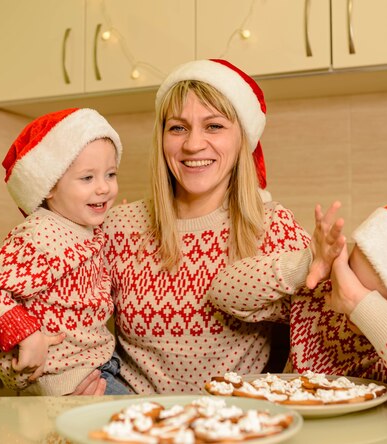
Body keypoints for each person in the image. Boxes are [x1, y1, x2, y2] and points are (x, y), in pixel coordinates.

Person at [101, 59, 345, 394]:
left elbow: (319, 336)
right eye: (178, 128)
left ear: (242, 139)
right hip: (138, 426)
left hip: (238, 426)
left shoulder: (273, 227)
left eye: (214, 126)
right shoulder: (119, 228)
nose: (193, 144)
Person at [210, 195, 387, 417]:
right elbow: (223, 293)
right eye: (349, 273)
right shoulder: (322, 293)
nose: (342, 297)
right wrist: (308, 263)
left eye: (370, 297)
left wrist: (358, 303)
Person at [0, 108, 133, 396]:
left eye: (110, 174)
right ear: (49, 187)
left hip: (94, 366)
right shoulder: (41, 232)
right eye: (87, 178)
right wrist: (27, 335)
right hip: (67, 378)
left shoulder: (78, 226)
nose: (104, 187)